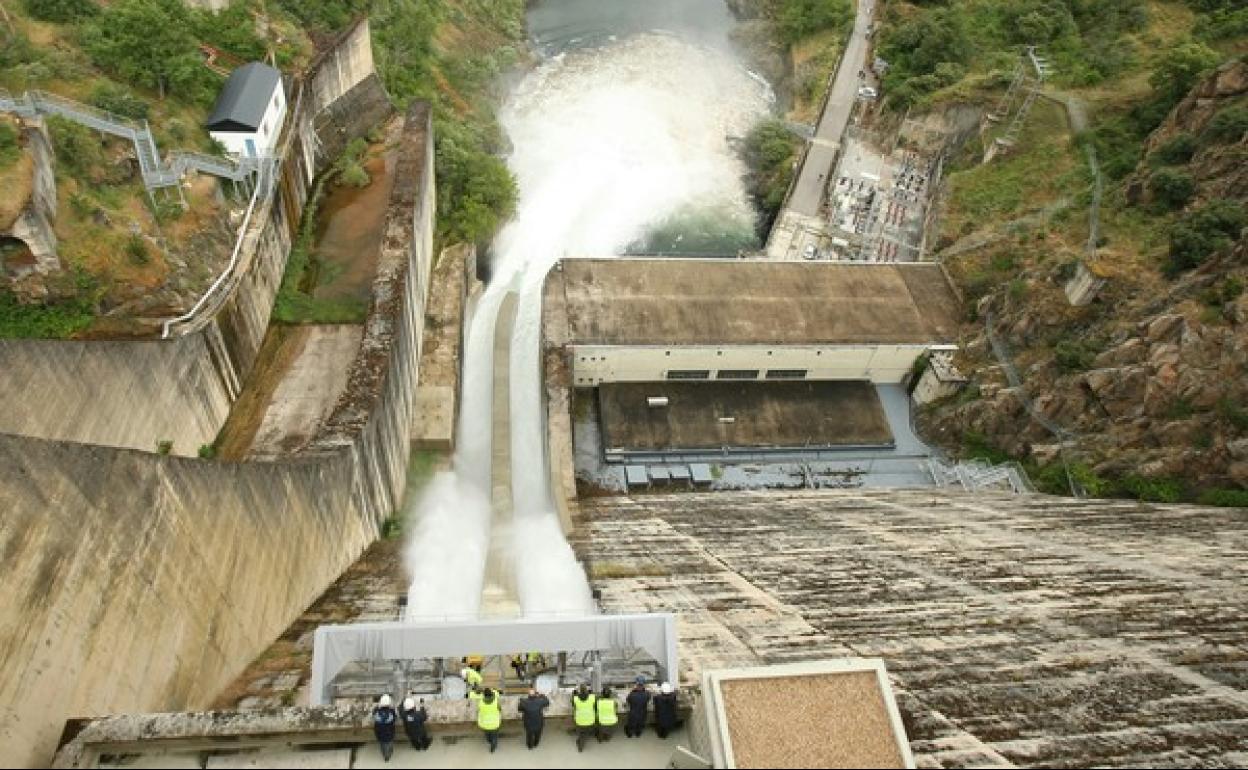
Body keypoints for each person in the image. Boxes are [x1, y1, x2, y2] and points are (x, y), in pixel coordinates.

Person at [471, 686, 503, 753]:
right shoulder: (495, 701)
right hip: (495, 724)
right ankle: (493, 746)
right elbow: (500, 709)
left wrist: (478, 691)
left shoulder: (481, 703)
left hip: (484, 724)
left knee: (487, 734)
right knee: (494, 736)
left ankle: (489, 740)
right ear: (491, 694)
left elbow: (478, 711)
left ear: (484, 695)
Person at [572, 683, 597, 752]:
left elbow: (573, 706)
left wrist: (574, 694)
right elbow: (595, 706)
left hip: (579, 720)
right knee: (586, 730)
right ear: (586, 689)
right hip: (590, 720)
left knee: (581, 731)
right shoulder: (592, 697)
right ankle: (582, 739)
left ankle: (580, 742)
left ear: (579, 690)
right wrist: (591, 693)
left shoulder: (575, 698)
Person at [372, 693, 398, 762]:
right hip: (390, 734)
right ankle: (390, 752)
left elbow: (374, 713)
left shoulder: (376, 713)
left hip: (380, 735)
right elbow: (395, 717)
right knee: (389, 744)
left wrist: (378, 706)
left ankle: (386, 757)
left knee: (383, 746)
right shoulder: (391, 712)